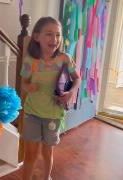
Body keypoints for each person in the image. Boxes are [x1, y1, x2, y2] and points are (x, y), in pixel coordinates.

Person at [20, 17, 81, 180]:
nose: (54, 39)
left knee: (47, 153)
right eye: (49, 34)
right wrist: (28, 87)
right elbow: (23, 83)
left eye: (58, 35)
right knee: (30, 155)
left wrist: (72, 92)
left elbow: (77, 78)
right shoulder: (30, 61)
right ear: (36, 36)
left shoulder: (65, 59)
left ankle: (47, 178)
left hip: (53, 115)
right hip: (32, 114)